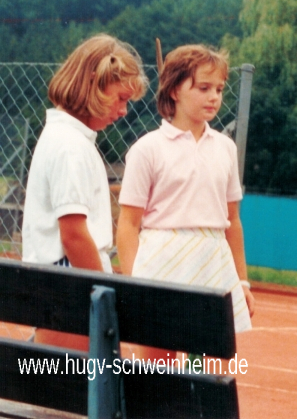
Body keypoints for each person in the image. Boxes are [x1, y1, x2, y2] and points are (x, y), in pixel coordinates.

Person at [117, 44, 254, 362]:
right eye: (203, 88)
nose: (214, 97)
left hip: (212, 264)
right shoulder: (146, 149)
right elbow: (128, 225)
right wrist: (135, 283)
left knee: (212, 373)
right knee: (156, 370)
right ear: (175, 90)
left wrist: (242, 279)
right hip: (160, 264)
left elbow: (232, 220)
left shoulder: (225, 148)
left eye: (219, 89)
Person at [22, 34, 148, 350]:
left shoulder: (62, 136)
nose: (123, 112)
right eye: (120, 99)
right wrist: (105, 298)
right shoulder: (71, 147)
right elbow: (74, 236)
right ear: (93, 84)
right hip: (70, 288)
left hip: (58, 285)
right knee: (76, 394)